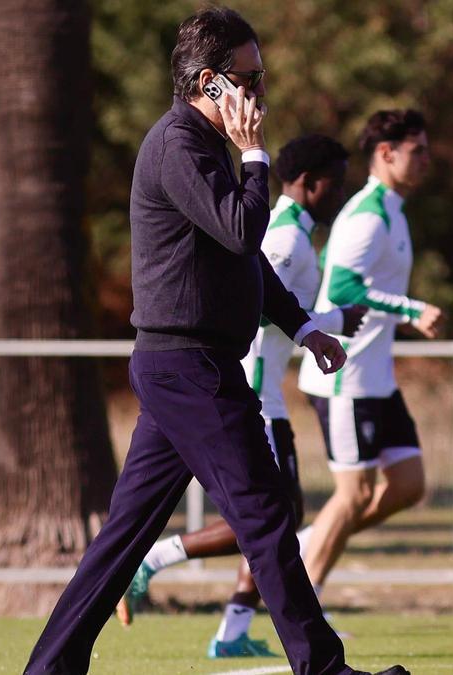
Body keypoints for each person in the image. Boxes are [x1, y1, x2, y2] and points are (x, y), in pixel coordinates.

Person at [23, 8, 407, 675]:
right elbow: (242, 229)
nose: (260, 93)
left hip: (188, 366)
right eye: (250, 79)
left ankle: (48, 669)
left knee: (125, 539)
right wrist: (255, 156)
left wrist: (305, 326)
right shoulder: (179, 144)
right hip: (189, 367)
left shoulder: (203, 145)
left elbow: (243, 259)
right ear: (211, 83)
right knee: (266, 514)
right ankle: (325, 670)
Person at [118, 134, 366, 659]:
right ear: (309, 183)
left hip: (264, 391)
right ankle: (157, 562)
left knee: (276, 515)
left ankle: (232, 630)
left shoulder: (297, 232)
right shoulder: (285, 236)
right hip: (248, 391)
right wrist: (334, 320)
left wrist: (315, 326)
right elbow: (256, 308)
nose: (341, 194)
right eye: (336, 183)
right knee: (270, 516)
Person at [296, 109, 444, 607]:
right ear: (386, 153)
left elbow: (333, 267)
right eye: (417, 151)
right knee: (354, 495)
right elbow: (341, 288)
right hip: (345, 377)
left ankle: (311, 540)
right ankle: (305, 610)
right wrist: (411, 309)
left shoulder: (392, 211)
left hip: (377, 377)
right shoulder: (367, 215)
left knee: (408, 485)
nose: (426, 159)